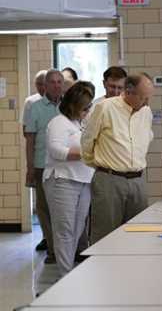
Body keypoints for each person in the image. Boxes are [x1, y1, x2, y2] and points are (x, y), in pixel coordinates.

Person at [81, 73, 154, 244]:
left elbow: (146, 138)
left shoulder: (146, 112)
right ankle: (102, 270)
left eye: (149, 98)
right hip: (109, 179)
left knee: (139, 234)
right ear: (129, 92)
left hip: (138, 180)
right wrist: (102, 166)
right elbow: (87, 141)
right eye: (143, 98)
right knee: (105, 235)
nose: (147, 103)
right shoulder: (105, 108)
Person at [43, 81, 95, 276]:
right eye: (85, 107)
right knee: (64, 230)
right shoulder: (58, 122)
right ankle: (66, 275)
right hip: (62, 181)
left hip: (83, 181)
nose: (88, 110)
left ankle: (68, 271)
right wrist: (87, 152)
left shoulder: (79, 123)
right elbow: (56, 151)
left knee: (77, 227)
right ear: (74, 105)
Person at [24, 69, 64, 263]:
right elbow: (29, 140)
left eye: (59, 82)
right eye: (52, 82)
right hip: (42, 165)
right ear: (45, 86)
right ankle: (52, 248)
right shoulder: (34, 107)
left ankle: (65, 247)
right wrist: (30, 168)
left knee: (63, 208)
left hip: (65, 167)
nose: (56, 85)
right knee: (44, 208)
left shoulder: (69, 106)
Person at [21, 70, 47, 250]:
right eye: (37, 83)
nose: (40, 86)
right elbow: (27, 132)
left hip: (56, 162)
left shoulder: (61, 102)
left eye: (43, 83)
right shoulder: (30, 102)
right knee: (42, 203)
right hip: (39, 160)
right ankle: (46, 237)